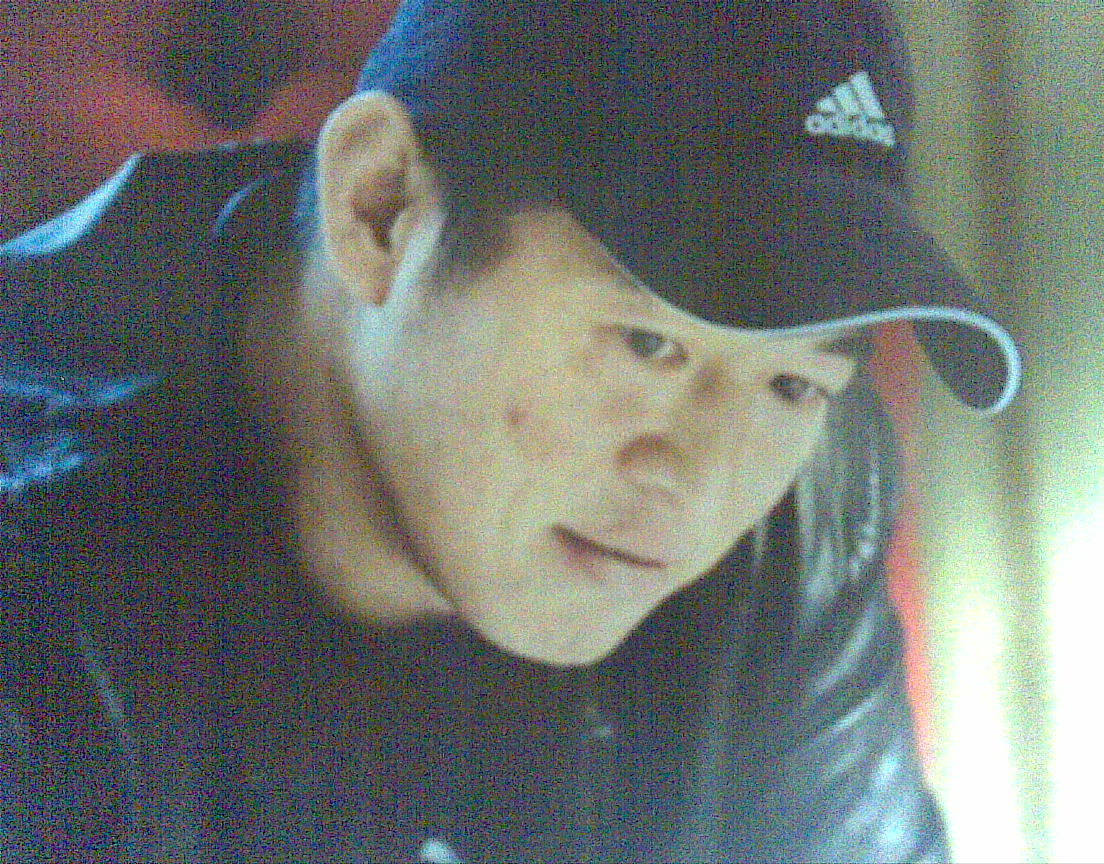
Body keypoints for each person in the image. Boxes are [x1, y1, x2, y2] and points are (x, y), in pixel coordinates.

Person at [1, 0, 1021, 860]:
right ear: (379, 207)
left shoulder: (801, 505)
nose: (702, 484)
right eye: (648, 343)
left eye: (792, 383)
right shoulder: (35, 570)